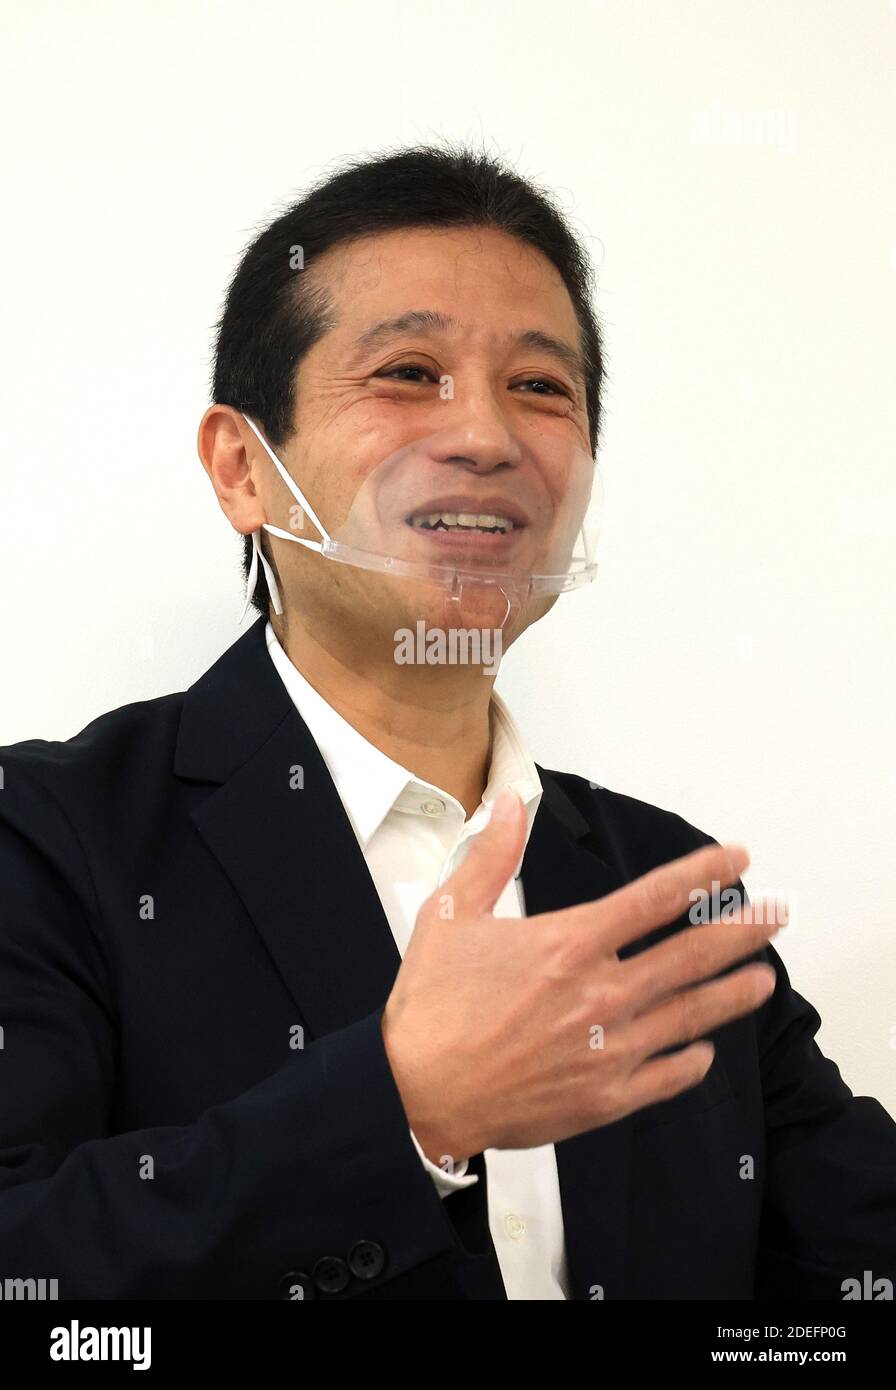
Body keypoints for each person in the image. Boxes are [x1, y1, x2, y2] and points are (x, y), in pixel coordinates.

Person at [1, 144, 893, 1301]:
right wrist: (401, 1108)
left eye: (539, 387)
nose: (483, 435)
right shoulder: (49, 839)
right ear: (243, 469)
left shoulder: (662, 885)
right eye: (407, 371)